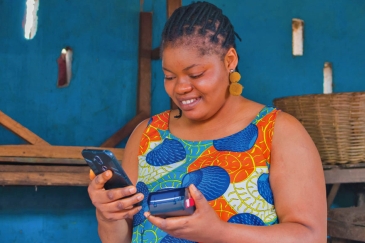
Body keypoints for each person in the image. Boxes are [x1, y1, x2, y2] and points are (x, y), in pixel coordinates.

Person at [87, 1, 327, 242]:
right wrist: (108, 216)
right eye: (169, 76)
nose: (180, 88)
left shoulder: (278, 131)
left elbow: (311, 236)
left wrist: (219, 232)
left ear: (230, 60)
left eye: (196, 74)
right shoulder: (147, 135)